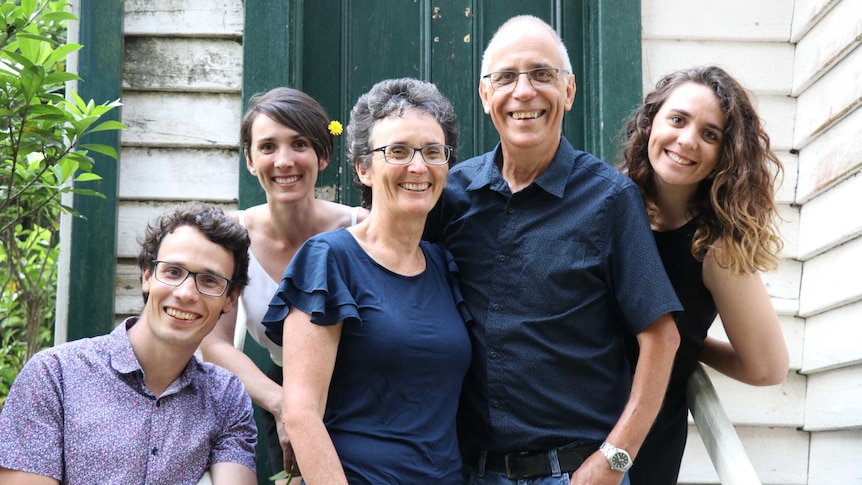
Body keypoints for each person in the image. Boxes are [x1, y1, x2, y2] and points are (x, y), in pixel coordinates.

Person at [423, 15, 682, 485]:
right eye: (505, 77)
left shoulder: (610, 199)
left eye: (542, 74)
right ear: (485, 96)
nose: (523, 92)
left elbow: (661, 339)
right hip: (467, 470)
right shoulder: (452, 194)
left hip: (576, 472)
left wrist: (615, 460)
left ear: (569, 91)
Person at [261, 77, 471, 483]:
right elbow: (301, 412)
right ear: (363, 168)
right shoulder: (329, 260)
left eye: (432, 151)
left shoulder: (444, 265)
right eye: (397, 151)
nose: (418, 166)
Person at [0, 201, 257, 485]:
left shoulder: (226, 397)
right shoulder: (53, 376)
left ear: (231, 298)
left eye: (209, 280)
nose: (186, 293)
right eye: (173, 272)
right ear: (147, 276)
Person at [619, 65, 789, 484]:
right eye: (677, 119)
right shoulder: (610, 205)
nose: (687, 140)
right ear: (650, 123)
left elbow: (766, 367)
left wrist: (686, 343)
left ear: (724, 156)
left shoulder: (715, 247)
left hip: (642, 450)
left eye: (710, 134)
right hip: (568, 434)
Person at [198, 87, 367, 478]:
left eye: (300, 144)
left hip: (365, 393)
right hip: (280, 389)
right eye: (268, 146)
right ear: (250, 159)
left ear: (323, 154)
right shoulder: (231, 237)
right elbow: (214, 341)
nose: (284, 160)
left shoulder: (360, 228)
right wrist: (282, 405)